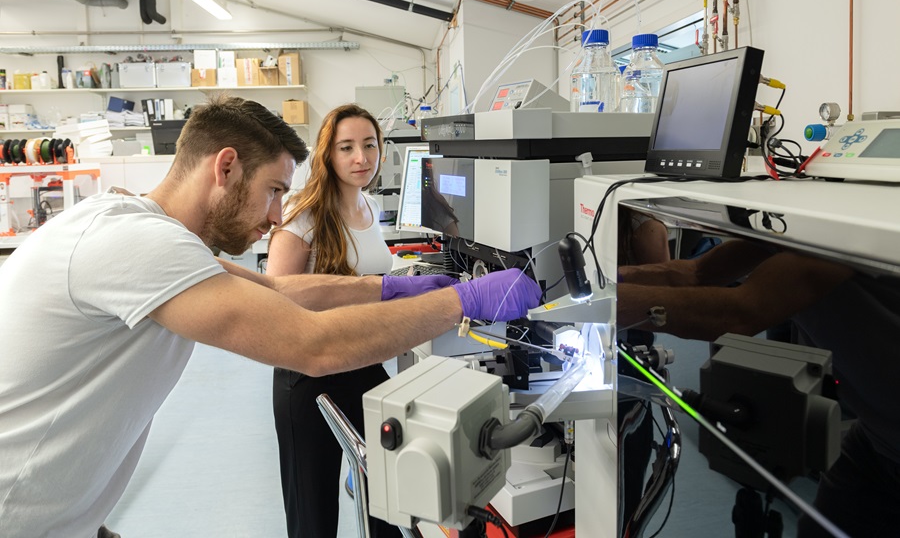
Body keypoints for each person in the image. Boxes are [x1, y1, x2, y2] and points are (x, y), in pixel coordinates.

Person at [0, 94, 541, 537]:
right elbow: (314, 345)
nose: (279, 215)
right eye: (274, 191)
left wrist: (390, 287)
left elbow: (278, 289)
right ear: (227, 167)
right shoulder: (138, 243)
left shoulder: (150, 233)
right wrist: (460, 303)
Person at [617, 238, 900, 537]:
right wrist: (610, 279)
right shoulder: (789, 223)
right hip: (878, 439)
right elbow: (697, 272)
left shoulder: (840, 230)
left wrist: (606, 303)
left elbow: (742, 312)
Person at [266, 104, 409, 537]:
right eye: (347, 148)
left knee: (387, 492)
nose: (361, 158)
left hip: (361, 360)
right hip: (310, 371)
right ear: (327, 155)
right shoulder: (304, 214)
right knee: (313, 516)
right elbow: (276, 298)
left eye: (369, 145)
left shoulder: (367, 206)